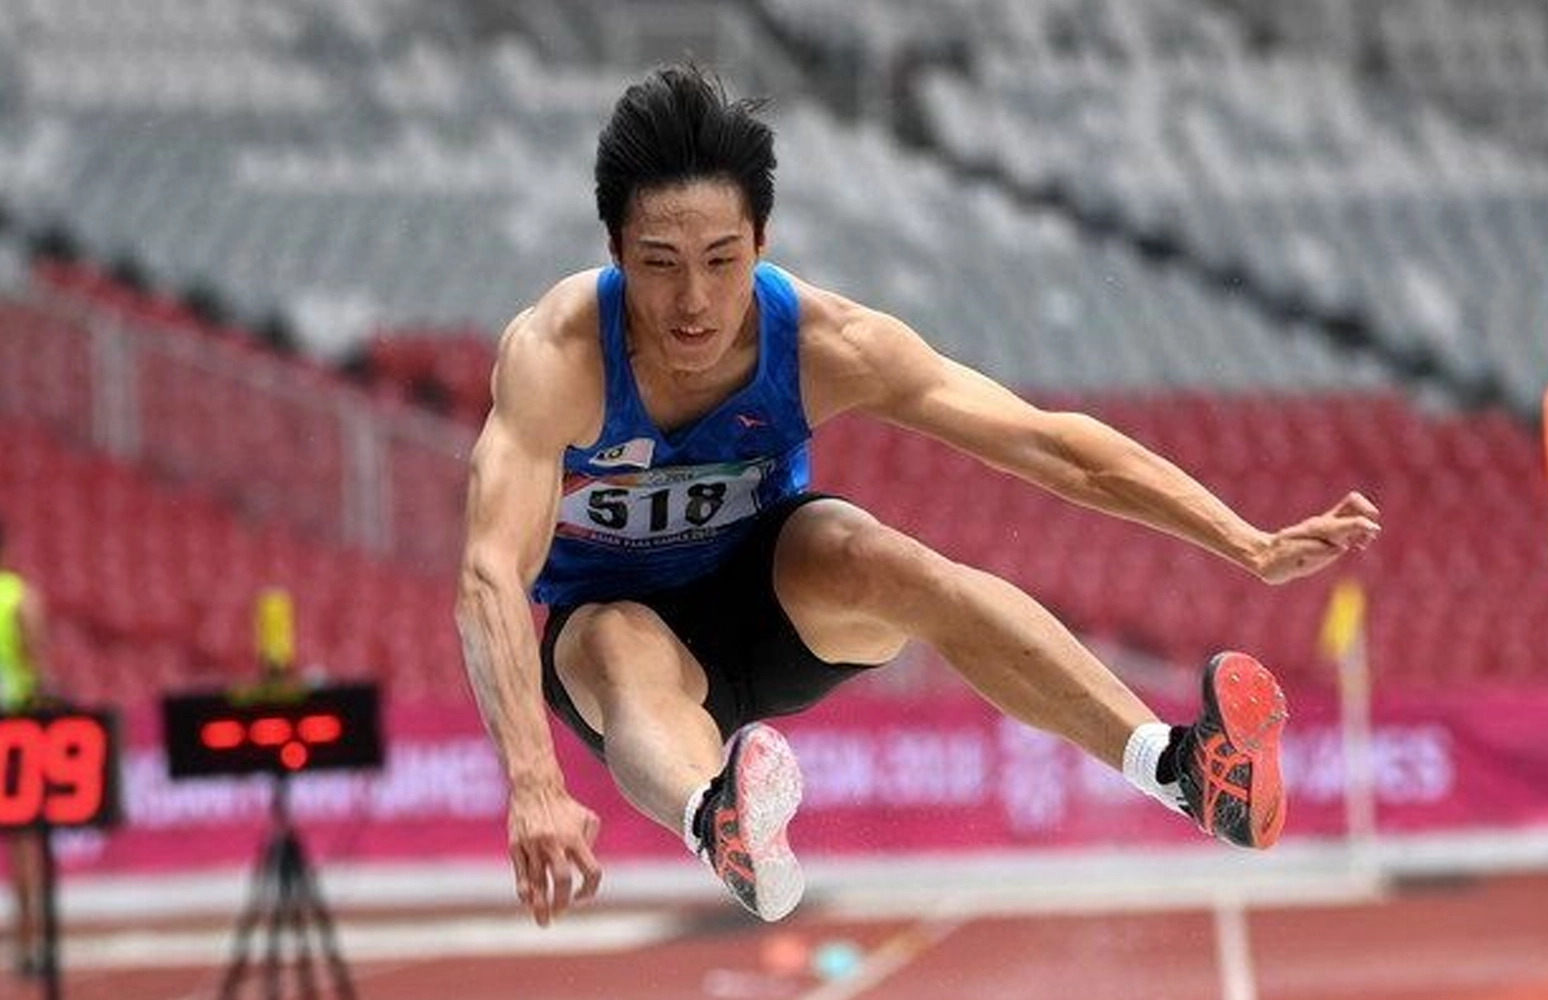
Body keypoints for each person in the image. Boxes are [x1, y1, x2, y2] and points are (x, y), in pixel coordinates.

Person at [454, 63, 1381, 927]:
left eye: (721, 260)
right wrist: (533, 783)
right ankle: (717, 818)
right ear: (616, 251)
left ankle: (1179, 771)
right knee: (620, 637)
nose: (693, 301)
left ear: (762, 244)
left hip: (771, 606)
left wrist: (1246, 541)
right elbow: (490, 574)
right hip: (610, 641)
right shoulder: (559, 357)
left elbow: (1050, 446)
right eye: (660, 263)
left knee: (872, 553)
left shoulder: (825, 343)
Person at [0, 516, 50, 973]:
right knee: (24, 840)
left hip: (12, 727)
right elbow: (38, 666)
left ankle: (29, 940)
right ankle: (30, 941)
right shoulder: (20, 598)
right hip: (15, 726)